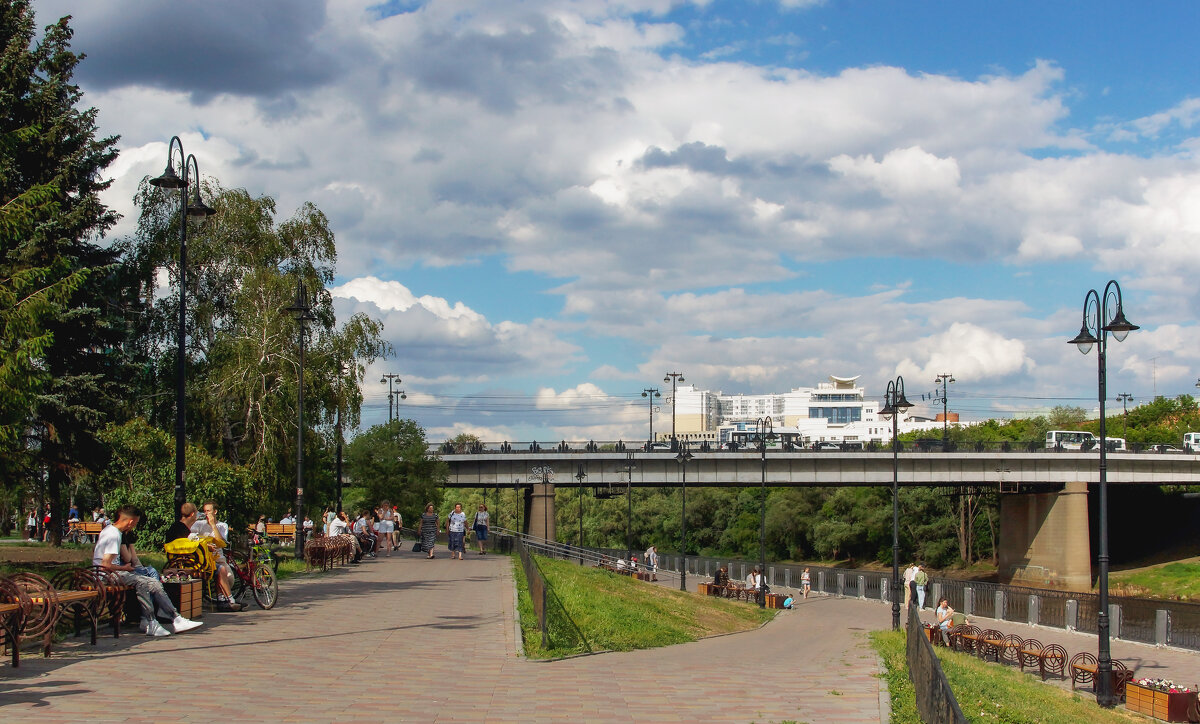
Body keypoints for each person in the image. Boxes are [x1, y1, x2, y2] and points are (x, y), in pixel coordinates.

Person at [96, 505, 202, 636]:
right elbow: (106, 565)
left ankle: (173, 618)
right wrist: (124, 568)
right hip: (107, 575)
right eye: (136, 523)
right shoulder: (114, 535)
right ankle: (153, 621)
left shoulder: (110, 530)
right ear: (131, 522)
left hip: (112, 573)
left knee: (152, 581)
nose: (135, 526)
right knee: (144, 582)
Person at [177, 501, 244, 612]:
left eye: (208, 511)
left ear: (215, 512)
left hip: (218, 557)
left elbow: (221, 542)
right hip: (203, 558)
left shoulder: (222, 525)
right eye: (205, 511)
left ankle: (222, 598)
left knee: (230, 579)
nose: (206, 514)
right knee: (221, 573)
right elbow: (188, 535)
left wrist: (213, 525)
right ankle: (223, 600)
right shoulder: (199, 524)